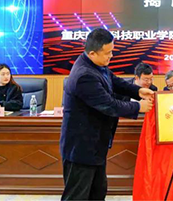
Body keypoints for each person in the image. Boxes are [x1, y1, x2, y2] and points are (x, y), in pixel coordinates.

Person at [61, 28, 154, 200]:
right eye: (107, 53)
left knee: (98, 192)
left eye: (112, 51)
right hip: (81, 148)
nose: (111, 56)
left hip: (95, 146)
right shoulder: (84, 76)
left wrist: (138, 91)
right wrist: (138, 107)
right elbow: (109, 105)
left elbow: (114, 81)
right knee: (77, 196)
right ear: (92, 53)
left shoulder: (96, 65)